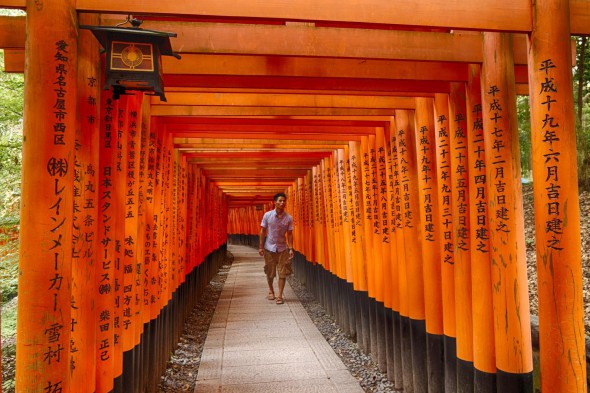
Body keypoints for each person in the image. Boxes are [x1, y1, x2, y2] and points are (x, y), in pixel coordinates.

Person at [258, 192, 294, 305]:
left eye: (284, 201)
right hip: (269, 247)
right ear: (275, 202)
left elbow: (290, 234)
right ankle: (271, 290)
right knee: (270, 272)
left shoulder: (288, 218)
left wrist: (291, 248)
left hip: (282, 248)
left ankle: (279, 295)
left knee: (283, 272)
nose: (282, 203)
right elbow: (263, 231)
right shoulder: (267, 215)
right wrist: (260, 247)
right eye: (280, 200)